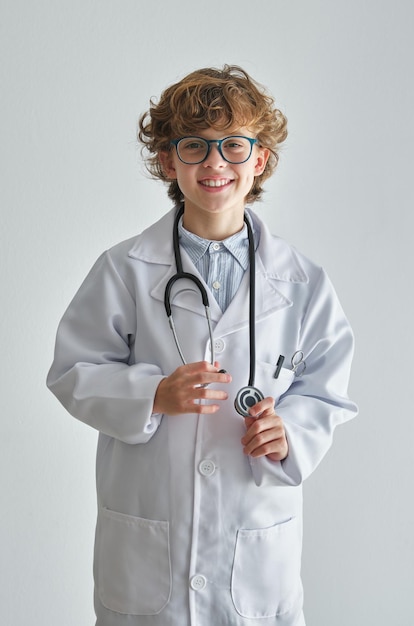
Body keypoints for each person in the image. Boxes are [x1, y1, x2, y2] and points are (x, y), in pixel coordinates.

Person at [47, 65, 357, 626]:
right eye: (194, 146)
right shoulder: (124, 269)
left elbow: (326, 390)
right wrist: (153, 396)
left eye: (233, 146)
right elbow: (74, 370)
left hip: (254, 536)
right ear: (169, 161)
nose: (214, 163)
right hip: (149, 539)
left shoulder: (302, 282)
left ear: (259, 160)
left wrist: (290, 432)